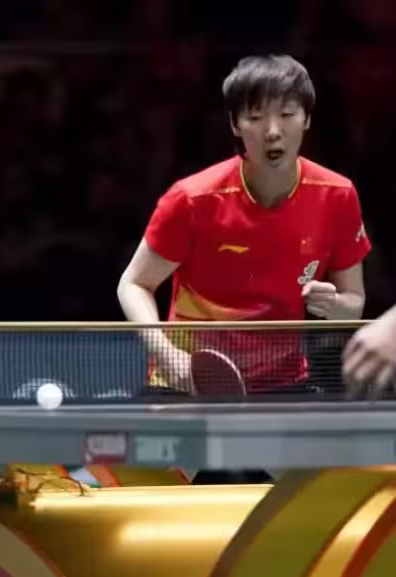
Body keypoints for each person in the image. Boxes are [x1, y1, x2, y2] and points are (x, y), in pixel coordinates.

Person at [117, 54, 371, 397]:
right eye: (255, 117)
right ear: (235, 125)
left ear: (307, 118)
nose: (273, 132)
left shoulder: (337, 196)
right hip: (189, 383)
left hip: (283, 386)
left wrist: (334, 306)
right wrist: (167, 356)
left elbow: (353, 304)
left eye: (286, 115)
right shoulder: (193, 200)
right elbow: (133, 284)